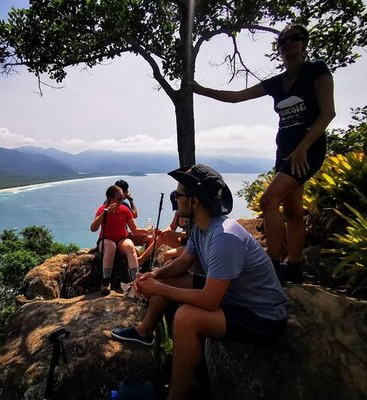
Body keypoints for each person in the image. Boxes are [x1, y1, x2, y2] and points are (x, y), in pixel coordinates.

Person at [111, 164, 288, 400]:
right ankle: (145, 332)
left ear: (194, 201)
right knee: (170, 276)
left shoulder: (224, 237)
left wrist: (159, 288)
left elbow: (209, 299)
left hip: (261, 314)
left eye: (179, 194)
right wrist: (156, 276)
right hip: (234, 296)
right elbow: (183, 263)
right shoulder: (201, 228)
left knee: (186, 317)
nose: (176, 199)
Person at [192, 24, 335, 284]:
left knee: (268, 201)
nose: (288, 43)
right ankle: (294, 267)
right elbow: (237, 97)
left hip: (307, 149)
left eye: (295, 38)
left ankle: (273, 266)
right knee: (292, 210)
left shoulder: (316, 71)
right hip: (284, 151)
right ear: (278, 49)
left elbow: (328, 113)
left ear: (304, 43)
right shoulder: (277, 83)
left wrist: (304, 146)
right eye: (283, 40)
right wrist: (200, 89)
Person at [91, 185, 147, 295]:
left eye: (122, 198)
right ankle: (106, 281)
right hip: (105, 241)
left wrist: (146, 231)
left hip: (121, 240)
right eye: (119, 198)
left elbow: (134, 229)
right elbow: (93, 228)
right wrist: (105, 213)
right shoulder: (102, 210)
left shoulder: (125, 210)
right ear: (110, 198)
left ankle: (135, 280)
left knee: (130, 245)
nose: (121, 201)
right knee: (111, 246)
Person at [137, 191, 190, 267]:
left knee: (168, 254)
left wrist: (176, 234)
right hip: (182, 242)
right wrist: (164, 232)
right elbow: (172, 227)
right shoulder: (178, 213)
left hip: (191, 245)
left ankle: (165, 275)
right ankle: (141, 260)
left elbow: (192, 234)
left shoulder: (191, 215)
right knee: (161, 237)